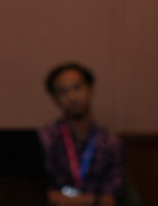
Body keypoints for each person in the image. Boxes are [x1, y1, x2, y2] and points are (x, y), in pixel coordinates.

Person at [39, 63, 125, 206]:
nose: (72, 97)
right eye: (63, 92)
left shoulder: (111, 142)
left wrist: (63, 200)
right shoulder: (46, 138)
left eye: (77, 88)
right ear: (54, 98)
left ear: (90, 89)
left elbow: (112, 197)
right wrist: (95, 200)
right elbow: (40, 193)